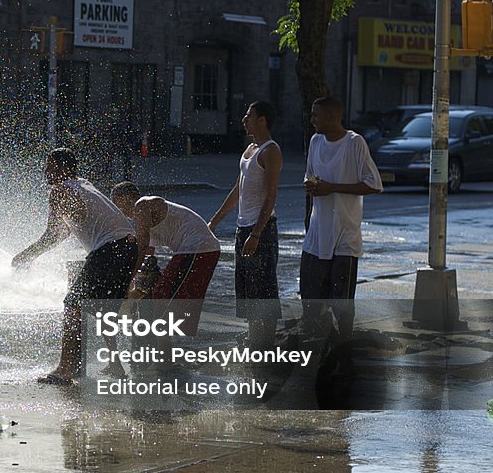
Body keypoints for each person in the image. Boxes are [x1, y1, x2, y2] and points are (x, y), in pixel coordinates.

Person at [12, 148, 138, 385]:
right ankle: (115, 365)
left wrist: (26, 256)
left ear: (62, 169)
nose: (45, 172)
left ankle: (65, 370)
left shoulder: (60, 191)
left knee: (72, 305)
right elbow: (71, 226)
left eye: (49, 166)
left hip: (109, 250)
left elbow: (54, 234)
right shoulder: (83, 184)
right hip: (129, 247)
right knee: (102, 309)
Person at [110, 183, 221, 378]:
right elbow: (147, 250)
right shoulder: (141, 216)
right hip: (195, 249)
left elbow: (142, 247)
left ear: (124, 199)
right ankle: (166, 355)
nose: (121, 213)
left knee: (163, 296)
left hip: (198, 248)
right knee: (161, 295)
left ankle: (166, 360)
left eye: (118, 206)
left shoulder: (142, 205)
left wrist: (128, 281)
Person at [301, 96, 383, 339]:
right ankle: (323, 342)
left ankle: (345, 346)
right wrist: (312, 187)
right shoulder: (315, 141)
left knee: (342, 300)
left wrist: (332, 187)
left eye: (316, 115)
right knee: (311, 295)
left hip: (344, 236)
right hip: (317, 234)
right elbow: (310, 176)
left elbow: (374, 184)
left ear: (331, 117)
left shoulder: (354, 143)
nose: (312, 119)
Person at [208, 101, 283, 350]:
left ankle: (266, 345)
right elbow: (238, 189)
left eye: (249, 115)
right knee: (248, 289)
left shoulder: (270, 150)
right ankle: (255, 341)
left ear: (262, 120)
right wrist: (216, 220)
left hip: (261, 230)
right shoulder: (250, 149)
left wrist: (257, 233)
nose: (244, 119)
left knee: (264, 289)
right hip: (243, 229)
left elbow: (271, 195)